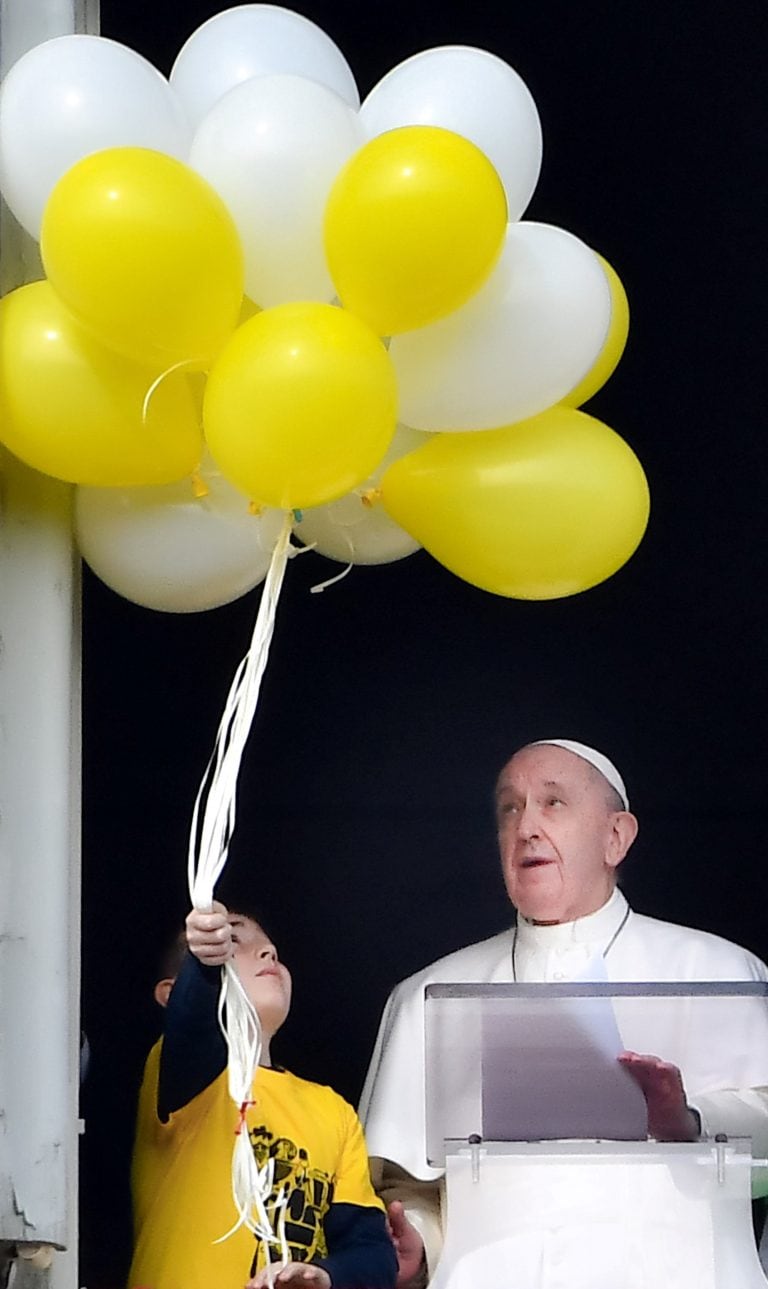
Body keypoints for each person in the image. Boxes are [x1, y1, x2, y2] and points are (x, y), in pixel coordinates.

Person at [359, 739, 768, 1286]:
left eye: (553, 803)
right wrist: (420, 1246)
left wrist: (687, 1121)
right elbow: (412, 1191)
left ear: (615, 837)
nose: (526, 825)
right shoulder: (429, 994)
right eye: (510, 807)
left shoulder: (717, 970)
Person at [129, 901, 398, 1289]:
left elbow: (371, 1250)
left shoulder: (332, 1110)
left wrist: (327, 1275)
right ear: (170, 994)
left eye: (271, 948)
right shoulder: (179, 1075)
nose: (268, 952)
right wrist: (205, 962)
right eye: (235, 940)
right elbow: (192, 1023)